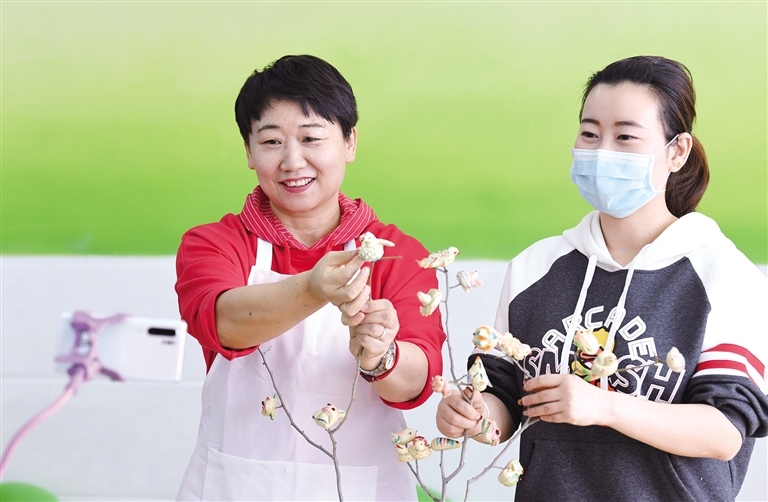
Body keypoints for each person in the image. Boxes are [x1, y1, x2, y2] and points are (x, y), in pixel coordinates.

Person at [436, 56, 768, 501]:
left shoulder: (721, 272)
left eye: (625, 136)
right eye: (590, 134)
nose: (602, 151)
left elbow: (724, 432)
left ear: (677, 151)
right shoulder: (535, 266)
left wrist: (604, 406)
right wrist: (471, 415)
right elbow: (504, 401)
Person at [175, 54, 446, 501]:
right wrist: (312, 288)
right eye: (271, 142)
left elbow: (417, 382)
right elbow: (222, 323)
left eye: (311, 138)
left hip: (359, 490)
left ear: (350, 142)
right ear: (248, 152)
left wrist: (382, 357)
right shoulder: (216, 243)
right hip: (236, 486)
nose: (292, 160)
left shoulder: (396, 253)